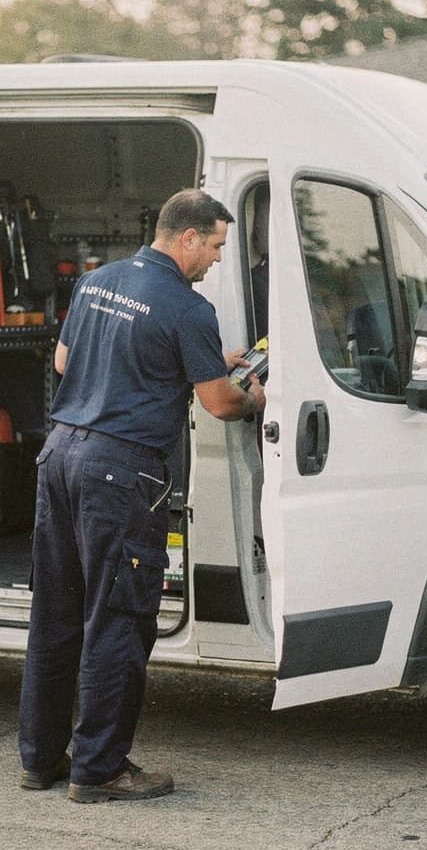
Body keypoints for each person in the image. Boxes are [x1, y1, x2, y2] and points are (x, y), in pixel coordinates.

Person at [19, 188, 265, 803]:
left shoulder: (97, 281)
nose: (216, 259)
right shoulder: (188, 307)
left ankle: (41, 759)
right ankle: (99, 770)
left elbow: (65, 361)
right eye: (215, 246)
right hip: (120, 474)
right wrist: (252, 397)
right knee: (118, 621)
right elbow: (219, 402)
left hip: (60, 458)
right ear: (188, 237)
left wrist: (205, 360)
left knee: (56, 616)